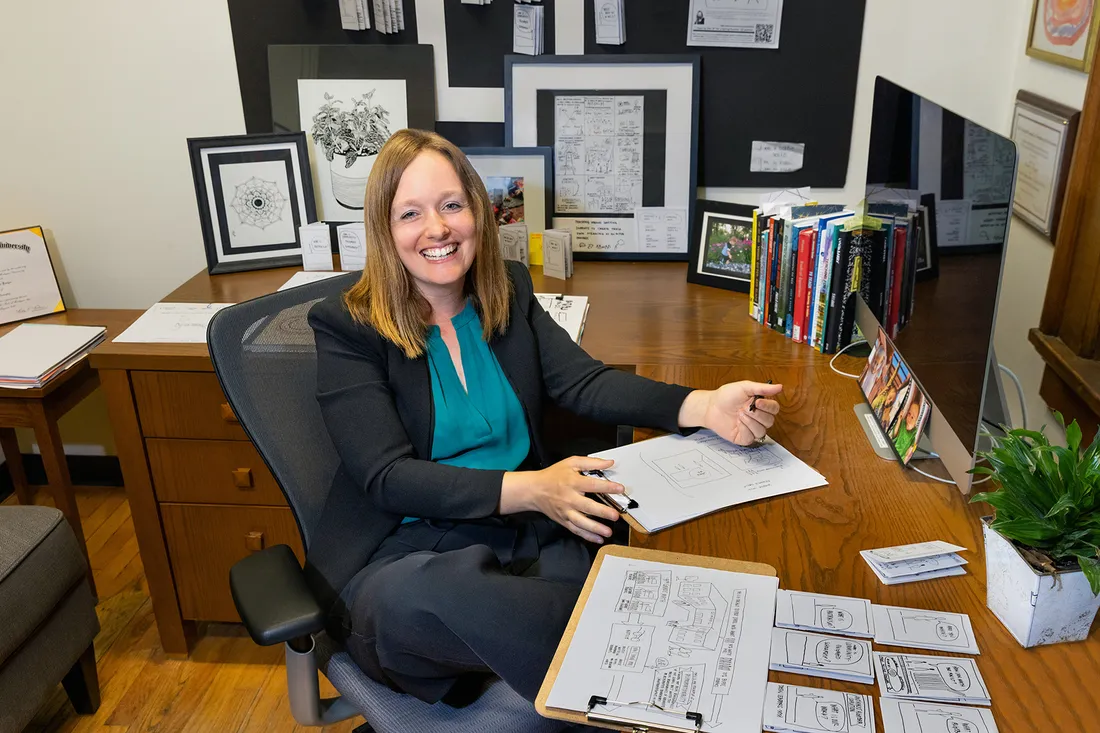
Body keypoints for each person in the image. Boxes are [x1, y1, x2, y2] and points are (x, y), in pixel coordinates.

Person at [306, 129, 783, 708]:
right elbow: (386, 477)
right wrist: (534, 488)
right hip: (406, 554)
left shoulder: (505, 289)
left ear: (478, 212)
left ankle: (628, 661)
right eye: (411, 213)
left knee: (593, 579)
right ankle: (645, 659)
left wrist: (702, 406)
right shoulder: (347, 327)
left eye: (452, 205)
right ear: (385, 230)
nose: (437, 229)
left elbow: (582, 381)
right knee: (439, 600)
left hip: (522, 534)